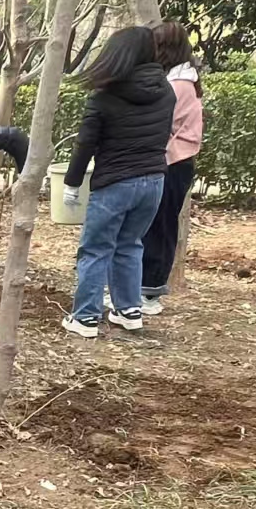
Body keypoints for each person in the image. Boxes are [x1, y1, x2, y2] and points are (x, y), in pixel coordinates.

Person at [60, 27, 175, 337]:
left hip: (115, 183)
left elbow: (85, 144)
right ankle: (129, 310)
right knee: (130, 245)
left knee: (95, 249)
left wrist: (71, 184)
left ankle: (85, 318)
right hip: (153, 181)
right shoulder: (166, 90)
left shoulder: (104, 96)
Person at [139, 21, 203, 313]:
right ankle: (144, 286)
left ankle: (150, 290)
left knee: (160, 225)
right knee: (154, 224)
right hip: (172, 160)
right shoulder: (181, 79)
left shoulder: (177, 85)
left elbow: (160, 125)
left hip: (172, 162)